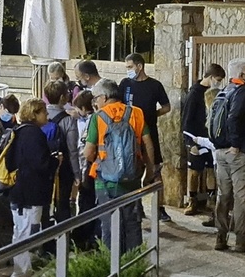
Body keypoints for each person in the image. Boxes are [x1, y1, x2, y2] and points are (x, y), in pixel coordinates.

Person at [83, 78, 155, 255]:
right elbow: (148, 144)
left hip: (105, 181)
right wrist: (150, 172)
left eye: (96, 98)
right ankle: (133, 263)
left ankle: (112, 263)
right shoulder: (136, 113)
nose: (95, 102)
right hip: (132, 177)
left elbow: (88, 152)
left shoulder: (98, 117)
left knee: (109, 224)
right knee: (132, 222)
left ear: (105, 97)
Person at [5, 98, 59, 277]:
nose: (47, 115)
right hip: (29, 195)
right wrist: (55, 161)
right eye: (43, 112)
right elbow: (41, 164)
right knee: (26, 236)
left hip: (19, 193)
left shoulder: (19, 131)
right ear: (34, 114)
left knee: (20, 234)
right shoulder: (34, 134)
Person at [210, 60, 245, 252]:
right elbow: (234, 117)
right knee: (241, 197)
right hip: (237, 154)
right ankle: (242, 240)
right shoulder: (242, 91)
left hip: (220, 152)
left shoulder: (225, 90)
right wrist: (235, 144)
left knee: (223, 195)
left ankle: (220, 237)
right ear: (241, 74)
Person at [121, 52, 173, 222]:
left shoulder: (155, 85)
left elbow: (166, 107)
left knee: (155, 169)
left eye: (130, 67)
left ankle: (159, 208)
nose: (128, 70)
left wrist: (151, 115)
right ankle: (137, 206)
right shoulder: (125, 84)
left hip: (150, 132)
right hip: (130, 135)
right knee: (134, 170)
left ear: (140, 66)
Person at [181, 64, 225, 216]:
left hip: (210, 139)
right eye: (217, 80)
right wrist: (190, 142)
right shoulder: (194, 94)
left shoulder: (216, 93)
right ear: (211, 77)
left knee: (211, 169)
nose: (218, 83)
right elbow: (186, 120)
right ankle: (192, 200)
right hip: (196, 138)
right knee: (194, 171)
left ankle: (211, 200)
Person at [65, 90, 100, 249]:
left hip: (89, 169)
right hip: (94, 168)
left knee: (86, 202)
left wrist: (79, 174)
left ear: (84, 109)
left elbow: (83, 150)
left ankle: (84, 238)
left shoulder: (91, 121)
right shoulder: (95, 118)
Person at [42, 81, 77, 226]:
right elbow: (73, 149)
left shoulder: (39, 115)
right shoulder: (69, 120)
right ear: (63, 97)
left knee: (44, 204)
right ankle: (64, 234)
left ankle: (45, 233)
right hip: (63, 168)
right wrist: (77, 173)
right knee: (62, 203)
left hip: (43, 166)